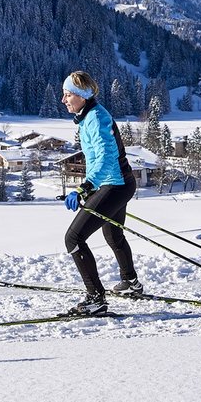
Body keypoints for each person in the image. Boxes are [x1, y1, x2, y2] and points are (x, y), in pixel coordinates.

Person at [57, 70, 141, 316]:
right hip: (117, 183)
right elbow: (97, 159)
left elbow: (105, 157)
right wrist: (88, 186)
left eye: (68, 95)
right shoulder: (88, 117)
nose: (64, 100)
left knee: (73, 239)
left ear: (82, 96)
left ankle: (96, 299)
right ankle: (130, 283)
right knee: (114, 237)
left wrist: (85, 187)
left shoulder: (96, 118)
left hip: (114, 185)